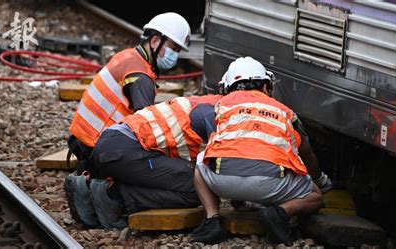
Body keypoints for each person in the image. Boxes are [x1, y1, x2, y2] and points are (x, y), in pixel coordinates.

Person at [191, 57, 332, 244]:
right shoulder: (285, 112)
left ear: (228, 87)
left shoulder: (222, 106)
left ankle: (212, 220)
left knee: (202, 161)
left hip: (223, 183)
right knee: (315, 196)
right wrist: (319, 179)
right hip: (273, 186)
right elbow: (306, 153)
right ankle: (281, 212)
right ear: (266, 86)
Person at [64, 94, 222, 229]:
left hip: (113, 145)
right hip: (125, 150)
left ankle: (92, 191)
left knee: (182, 175)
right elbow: (221, 158)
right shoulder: (214, 111)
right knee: (196, 187)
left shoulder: (205, 102)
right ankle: (113, 196)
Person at [67, 12, 191, 175]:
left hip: (82, 139)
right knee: (167, 169)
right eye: (173, 48)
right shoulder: (141, 77)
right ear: (155, 41)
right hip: (97, 149)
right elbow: (147, 128)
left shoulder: (129, 56)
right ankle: (104, 190)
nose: (175, 55)